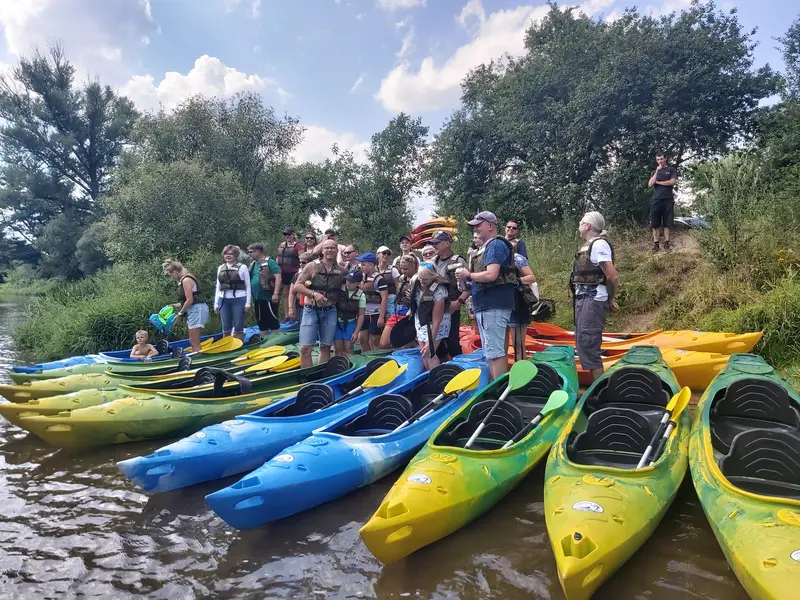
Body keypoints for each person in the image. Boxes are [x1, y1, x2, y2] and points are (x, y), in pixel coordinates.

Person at [455, 211, 517, 381]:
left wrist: (468, 275)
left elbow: (491, 274)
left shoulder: (495, 245)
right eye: (474, 226)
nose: (475, 229)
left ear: (490, 226)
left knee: (495, 352)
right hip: (487, 305)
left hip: (494, 305)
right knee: (492, 351)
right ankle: (495, 388)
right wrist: (464, 279)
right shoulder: (485, 248)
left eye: (478, 225)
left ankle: (499, 391)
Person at [570, 211, 620, 381]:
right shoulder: (589, 245)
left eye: (581, 222)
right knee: (584, 343)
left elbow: (612, 276)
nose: (579, 225)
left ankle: (599, 390)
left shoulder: (598, 245)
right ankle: (597, 387)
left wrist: (610, 298)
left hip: (592, 300)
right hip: (584, 300)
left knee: (589, 344)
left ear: (588, 226)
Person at [294, 239, 343, 367]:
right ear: (322, 250)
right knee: (305, 348)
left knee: (325, 346)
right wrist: (313, 294)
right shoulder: (312, 266)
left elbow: (354, 282)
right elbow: (297, 286)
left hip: (330, 311)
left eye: (332, 248)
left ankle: (322, 374)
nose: (329, 250)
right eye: (326, 248)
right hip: (311, 309)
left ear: (337, 250)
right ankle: (307, 377)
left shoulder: (342, 270)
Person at [431, 230, 470, 359]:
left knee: (452, 342)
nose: (434, 246)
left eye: (437, 243)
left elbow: (470, 286)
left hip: (451, 307)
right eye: (433, 243)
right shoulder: (432, 262)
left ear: (447, 243)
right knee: (438, 344)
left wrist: (458, 302)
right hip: (435, 308)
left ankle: (460, 369)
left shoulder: (458, 261)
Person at [410, 263, 451, 370]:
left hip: (437, 323)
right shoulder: (415, 281)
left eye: (426, 280)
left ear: (433, 277)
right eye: (420, 279)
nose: (422, 282)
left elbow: (437, 321)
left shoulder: (439, 290)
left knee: (430, 353)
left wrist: (430, 343)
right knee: (423, 353)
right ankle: (428, 375)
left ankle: (435, 378)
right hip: (421, 319)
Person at [163, 259, 209, 352]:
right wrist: (173, 306)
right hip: (194, 309)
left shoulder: (186, 280)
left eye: (170, 275)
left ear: (175, 272)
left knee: (194, 341)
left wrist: (180, 314)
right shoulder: (185, 279)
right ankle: (196, 354)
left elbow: (190, 300)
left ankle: (197, 359)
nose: (171, 277)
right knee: (193, 340)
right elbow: (186, 301)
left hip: (197, 309)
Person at [214, 245, 252, 340]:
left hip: (239, 299)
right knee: (225, 326)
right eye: (226, 254)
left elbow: (248, 286)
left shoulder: (242, 267)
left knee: (238, 325)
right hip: (223, 300)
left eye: (230, 254)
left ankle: (239, 344)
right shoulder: (221, 268)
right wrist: (216, 303)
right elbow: (218, 287)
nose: (227, 256)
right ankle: (226, 346)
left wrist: (247, 303)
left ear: (236, 255)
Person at [379, 254, 416, 349]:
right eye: (402, 268)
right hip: (397, 310)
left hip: (408, 312)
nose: (403, 271)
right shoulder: (402, 278)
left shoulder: (418, 279)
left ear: (413, 266)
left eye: (406, 269)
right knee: (384, 343)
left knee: (403, 343)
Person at [357, 252, 389, 351]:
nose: (361, 266)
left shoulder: (380, 279)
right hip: (363, 313)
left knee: (375, 340)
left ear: (371, 265)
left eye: (363, 264)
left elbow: (384, 298)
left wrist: (381, 317)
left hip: (375, 313)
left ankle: (377, 360)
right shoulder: (361, 277)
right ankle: (366, 360)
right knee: (362, 339)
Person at [247, 243, 281, 335]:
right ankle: (265, 343)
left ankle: (277, 342)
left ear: (257, 252)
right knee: (261, 323)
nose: (249, 254)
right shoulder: (253, 264)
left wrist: (276, 293)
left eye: (251, 252)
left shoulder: (270, 261)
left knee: (273, 321)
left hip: (268, 298)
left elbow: (278, 277)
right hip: (257, 299)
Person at [648, 152, 678, 252]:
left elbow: (672, 182)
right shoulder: (654, 172)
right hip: (656, 200)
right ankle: (656, 245)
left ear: (665, 158)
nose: (660, 161)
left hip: (668, 199)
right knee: (655, 224)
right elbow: (650, 184)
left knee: (667, 223)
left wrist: (659, 182)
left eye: (661, 159)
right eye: (658, 159)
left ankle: (667, 243)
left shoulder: (671, 170)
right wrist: (657, 171)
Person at [334, 270, 366, 357]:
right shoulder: (341, 289)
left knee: (348, 348)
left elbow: (361, 315)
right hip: (337, 322)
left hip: (350, 323)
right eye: (348, 280)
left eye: (352, 282)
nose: (348, 283)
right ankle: (338, 365)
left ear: (358, 283)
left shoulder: (361, 295)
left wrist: (356, 332)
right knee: (337, 347)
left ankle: (348, 365)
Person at [276, 228, 304, 306]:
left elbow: (302, 259)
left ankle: (294, 313)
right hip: (283, 272)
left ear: (293, 235)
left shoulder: (298, 246)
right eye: (285, 234)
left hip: (294, 273)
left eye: (288, 234)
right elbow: (278, 258)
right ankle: (287, 315)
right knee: (285, 293)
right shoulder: (281, 245)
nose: (287, 236)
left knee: (295, 293)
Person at [287, 252, 314, 327]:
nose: (301, 264)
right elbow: (292, 292)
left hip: (311, 305)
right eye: (300, 262)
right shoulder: (297, 275)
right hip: (300, 305)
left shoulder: (315, 275)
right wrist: (290, 308)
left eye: (303, 262)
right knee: (302, 327)